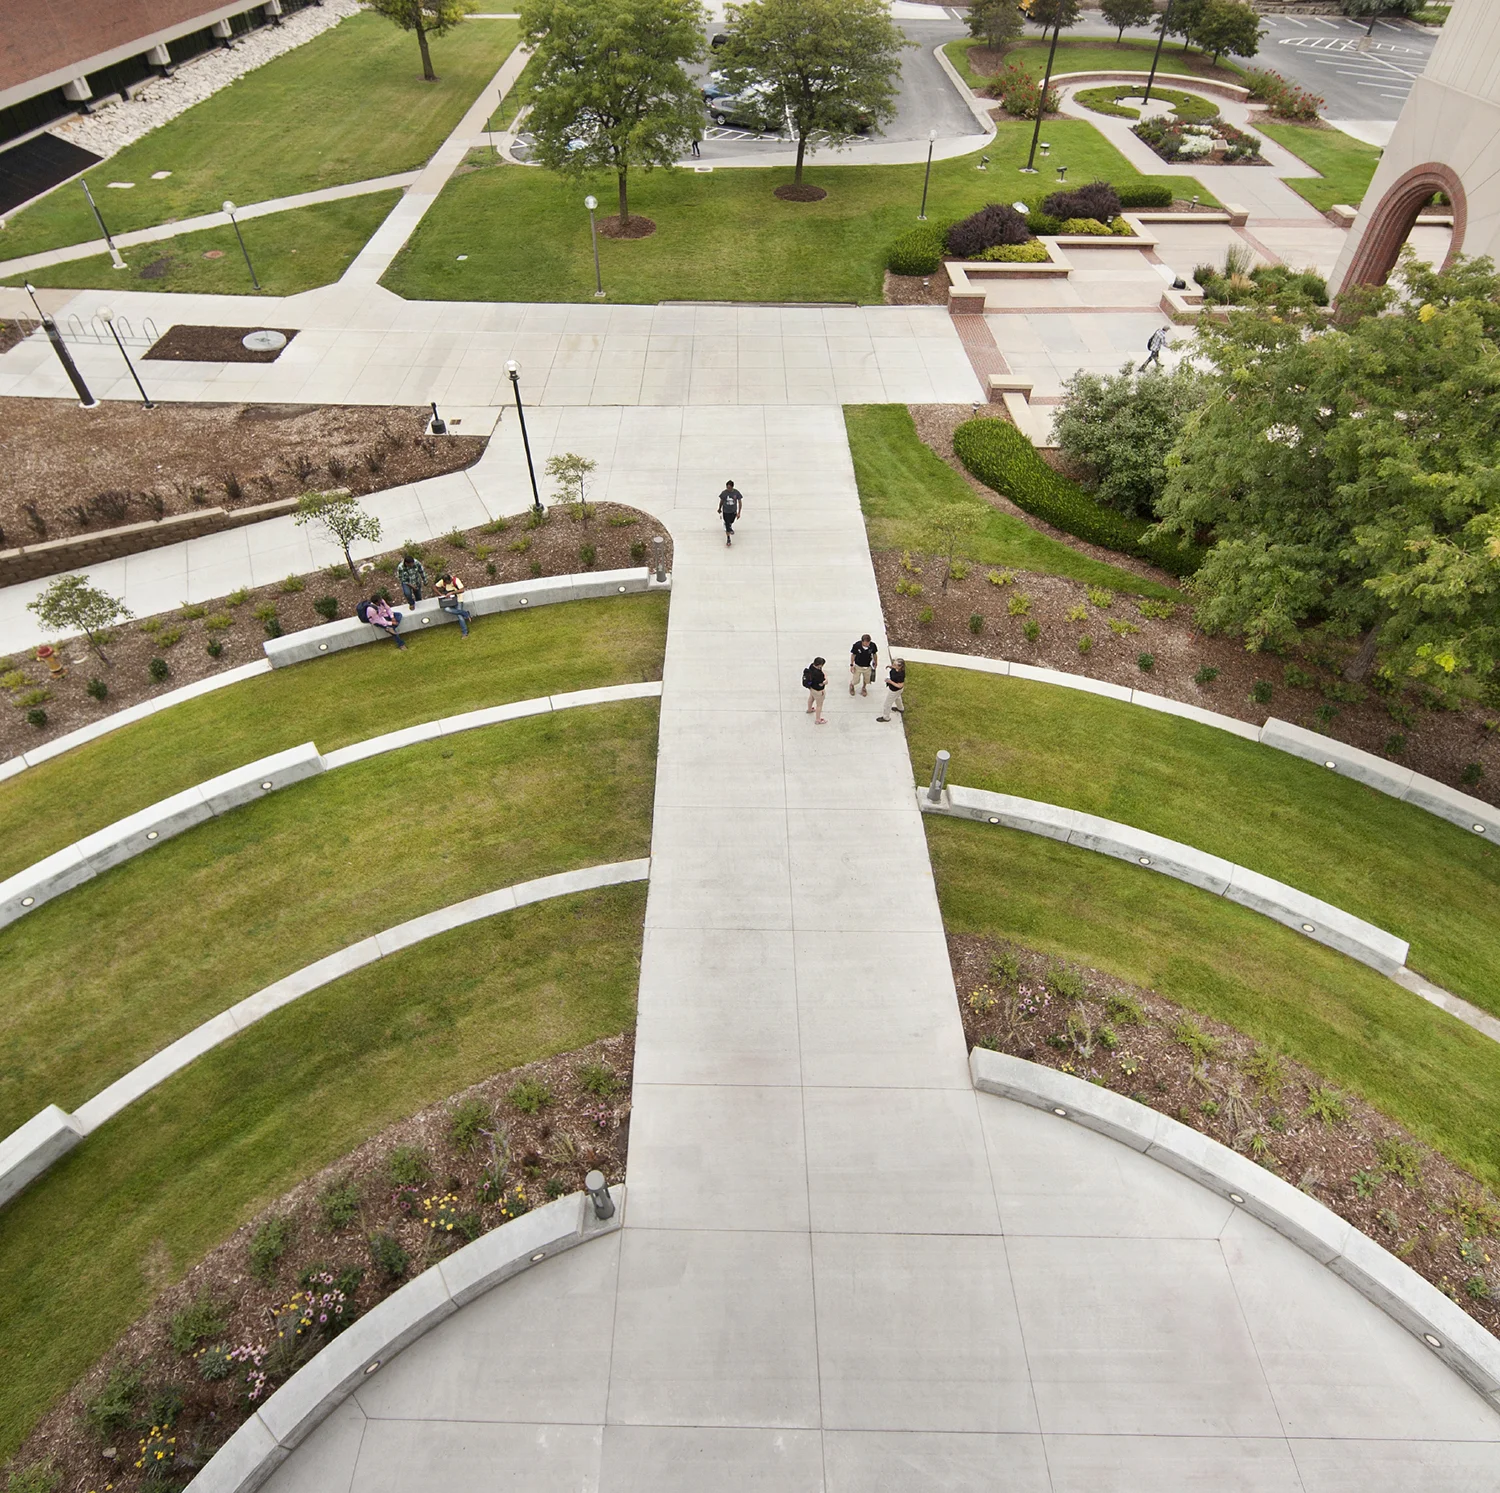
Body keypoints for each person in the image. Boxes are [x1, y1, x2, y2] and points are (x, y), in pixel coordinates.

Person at [434, 570, 471, 637]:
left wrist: (452, 593)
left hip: (458, 599)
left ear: (450, 579)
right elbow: (434, 587)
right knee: (446, 609)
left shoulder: (456, 580)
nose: (447, 584)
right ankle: (465, 613)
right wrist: (440, 594)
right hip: (449, 599)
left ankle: (465, 632)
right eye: (445, 583)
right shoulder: (443, 581)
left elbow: (462, 590)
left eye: (448, 582)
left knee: (459, 616)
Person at [875, 657, 905, 721]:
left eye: (894, 665)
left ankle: (886, 717)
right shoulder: (897, 669)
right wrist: (890, 667)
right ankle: (900, 708)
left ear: (900, 667)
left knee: (887, 704)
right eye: (893, 664)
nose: (893, 666)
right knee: (897, 698)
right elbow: (894, 668)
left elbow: (900, 685)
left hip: (894, 691)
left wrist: (890, 681)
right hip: (898, 691)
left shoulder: (900, 675)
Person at [802, 656, 828, 724]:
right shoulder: (819, 675)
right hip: (818, 691)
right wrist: (825, 681)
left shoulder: (811, 666)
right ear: (820, 665)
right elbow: (821, 683)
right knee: (819, 705)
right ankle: (818, 719)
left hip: (812, 688)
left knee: (811, 698)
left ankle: (809, 709)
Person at [717, 481, 743, 546]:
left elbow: (740, 502)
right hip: (726, 511)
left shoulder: (736, 493)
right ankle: (728, 539)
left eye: (729, 488)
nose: (728, 489)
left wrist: (739, 512)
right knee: (727, 525)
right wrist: (719, 508)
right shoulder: (724, 493)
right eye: (727, 487)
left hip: (733, 511)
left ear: (732, 487)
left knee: (731, 521)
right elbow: (721, 501)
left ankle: (729, 525)